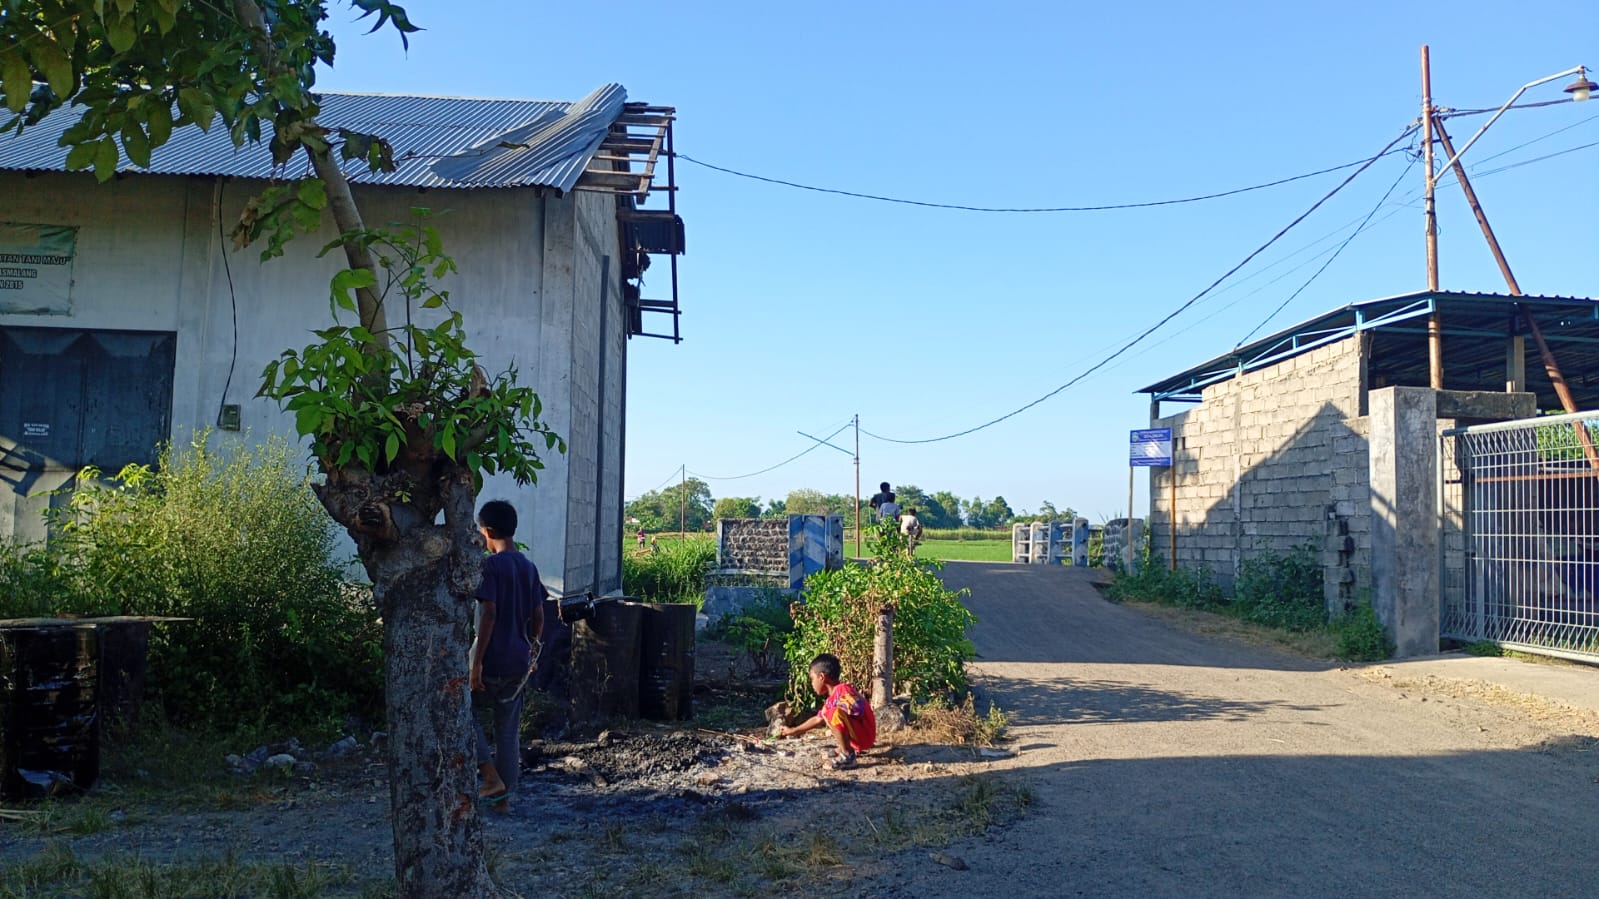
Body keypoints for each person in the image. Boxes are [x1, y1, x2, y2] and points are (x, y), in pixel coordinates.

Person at [470, 499, 547, 811]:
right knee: (508, 732)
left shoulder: (491, 567)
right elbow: (540, 615)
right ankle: (503, 801)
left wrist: (476, 663)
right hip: (518, 660)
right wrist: (533, 647)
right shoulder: (528, 567)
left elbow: (488, 614)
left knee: (461, 713)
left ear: (487, 531)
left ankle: (489, 777)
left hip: (492, 658)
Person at [776, 653, 876, 770]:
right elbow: (818, 719)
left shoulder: (843, 690)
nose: (812, 684)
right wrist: (793, 731)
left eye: (812, 679)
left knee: (833, 713)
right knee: (827, 713)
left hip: (865, 736)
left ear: (821, 677)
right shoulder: (831, 699)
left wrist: (842, 706)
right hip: (859, 738)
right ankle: (847, 747)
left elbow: (858, 709)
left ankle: (848, 756)